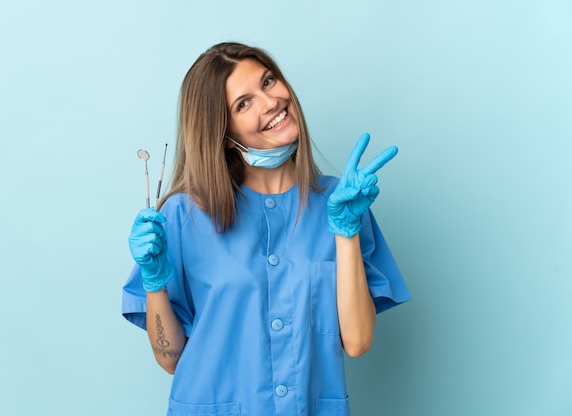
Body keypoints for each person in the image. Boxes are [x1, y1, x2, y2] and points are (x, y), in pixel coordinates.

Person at [122, 42, 410, 416]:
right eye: (243, 103)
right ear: (222, 132)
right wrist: (154, 281)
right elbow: (170, 358)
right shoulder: (183, 215)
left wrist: (346, 231)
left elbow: (356, 341)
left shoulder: (340, 203)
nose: (270, 101)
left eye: (269, 81)